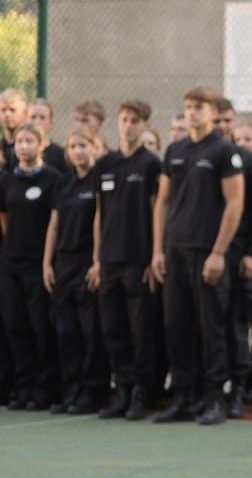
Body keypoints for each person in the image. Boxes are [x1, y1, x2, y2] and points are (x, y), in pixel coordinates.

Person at [151, 87, 245, 425]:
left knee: (211, 328)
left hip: (207, 252)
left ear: (212, 111)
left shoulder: (224, 151)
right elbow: (162, 202)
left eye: (199, 107)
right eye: (188, 107)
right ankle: (185, 397)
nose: (192, 112)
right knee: (176, 326)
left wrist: (219, 252)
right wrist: (157, 250)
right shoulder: (175, 150)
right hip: (175, 251)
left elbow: (235, 203)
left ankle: (214, 398)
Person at [92, 100, 164, 420]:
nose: (129, 125)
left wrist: (153, 256)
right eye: (124, 120)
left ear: (145, 125)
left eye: (135, 121)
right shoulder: (105, 163)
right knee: (113, 329)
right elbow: (98, 213)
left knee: (141, 331)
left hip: (138, 261)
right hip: (109, 261)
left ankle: (140, 395)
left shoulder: (151, 164)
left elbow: (155, 210)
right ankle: (122, 392)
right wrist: (96, 259)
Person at [42, 130, 107, 413]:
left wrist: (97, 261)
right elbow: (54, 225)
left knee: (89, 331)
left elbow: (99, 220)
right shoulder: (63, 182)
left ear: (94, 148)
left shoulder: (98, 181)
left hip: (86, 263)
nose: (77, 151)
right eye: (73, 147)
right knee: (66, 330)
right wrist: (47, 263)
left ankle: (92, 391)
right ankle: (71, 389)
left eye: (83, 146)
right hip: (63, 264)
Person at [0, 123, 64, 409]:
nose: (23, 146)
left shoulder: (53, 179)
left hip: (38, 265)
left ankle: (43, 388)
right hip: (11, 263)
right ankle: (23, 387)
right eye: (18, 142)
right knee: (16, 326)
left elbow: (54, 223)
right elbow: (4, 217)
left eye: (29, 141)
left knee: (41, 327)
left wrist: (45, 261)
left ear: (41, 144)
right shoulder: (6, 181)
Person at [215, 99, 252, 419]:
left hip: (238, 259)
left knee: (236, 325)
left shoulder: (249, 161)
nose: (222, 127)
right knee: (208, 327)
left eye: (227, 121)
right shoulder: (202, 158)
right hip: (207, 257)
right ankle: (209, 390)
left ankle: (237, 391)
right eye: (217, 121)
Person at [27, 100, 69, 173]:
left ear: (51, 123)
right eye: (33, 117)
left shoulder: (60, 154)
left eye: (42, 118)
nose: (37, 122)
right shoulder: (16, 152)